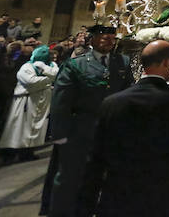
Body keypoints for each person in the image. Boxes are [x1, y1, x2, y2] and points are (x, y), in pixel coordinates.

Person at [80, 40, 169, 217]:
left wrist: (88, 202)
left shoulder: (112, 102)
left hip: (118, 198)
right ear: (167, 62)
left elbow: (95, 158)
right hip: (164, 198)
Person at [48, 24, 134, 217]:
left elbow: (129, 94)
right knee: (69, 180)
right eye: (103, 37)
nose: (108, 41)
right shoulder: (76, 64)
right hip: (80, 131)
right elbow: (61, 102)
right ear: (93, 40)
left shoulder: (122, 62)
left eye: (112, 38)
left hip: (108, 133)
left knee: (95, 180)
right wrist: (60, 134)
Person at [0, 45, 58, 163]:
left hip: (40, 103)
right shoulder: (27, 66)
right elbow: (30, 82)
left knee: (34, 129)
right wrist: (48, 81)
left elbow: (57, 74)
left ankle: (27, 153)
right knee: (17, 128)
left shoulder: (50, 66)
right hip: (25, 101)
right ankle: (9, 155)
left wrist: (45, 71)